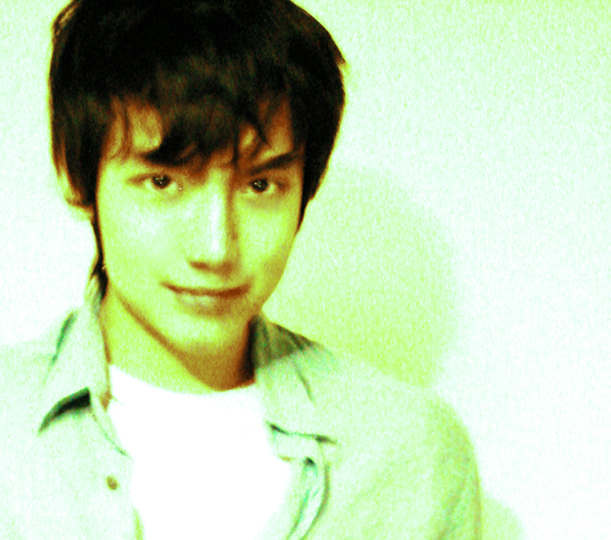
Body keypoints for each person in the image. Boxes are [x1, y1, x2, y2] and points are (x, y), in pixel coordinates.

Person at [0, 0, 481, 538]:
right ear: (76, 176)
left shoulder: (410, 455)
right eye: (162, 182)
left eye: (260, 185)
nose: (215, 248)